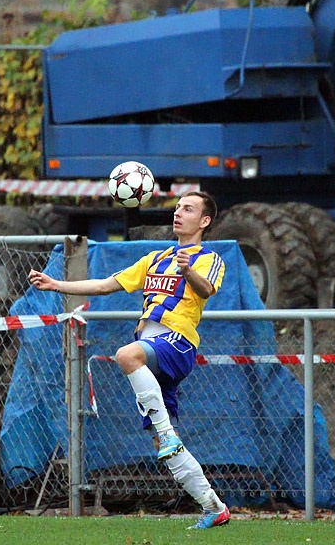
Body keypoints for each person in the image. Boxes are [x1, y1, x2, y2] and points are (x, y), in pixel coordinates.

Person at [27, 191, 231, 530]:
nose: (179, 213)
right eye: (178, 207)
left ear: (204, 221)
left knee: (125, 354)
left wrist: (188, 271)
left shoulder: (208, 257)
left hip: (176, 343)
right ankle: (214, 506)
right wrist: (54, 284)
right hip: (150, 352)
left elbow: (207, 289)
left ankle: (166, 433)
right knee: (162, 445)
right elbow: (107, 285)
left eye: (189, 209)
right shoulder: (156, 258)